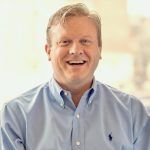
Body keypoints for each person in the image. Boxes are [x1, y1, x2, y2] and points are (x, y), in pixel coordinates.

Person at [0, 3, 150, 150]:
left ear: (99, 50)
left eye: (85, 41)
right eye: (65, 42)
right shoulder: (16, 115)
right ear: (48, 51)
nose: (76, 50)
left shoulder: (132, 112)